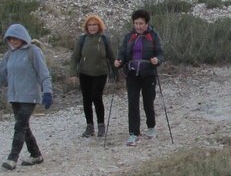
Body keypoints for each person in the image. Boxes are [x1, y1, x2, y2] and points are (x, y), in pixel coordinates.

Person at [0, 23, 53, 171]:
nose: (13, 41)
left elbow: (44, 73)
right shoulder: (9, 56)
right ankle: (36, 155)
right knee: (24, 127)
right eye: (10, 38)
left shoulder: (33, 51)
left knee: (19, 126)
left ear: (23, 37)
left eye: (16, 38)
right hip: (14, 97)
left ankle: (12, 158)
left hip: (30, 96)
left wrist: (47, 92)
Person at [113, 9, 164, 146]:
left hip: (148, 74)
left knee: (148, 102)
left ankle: (151, 127)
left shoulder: (153, 36)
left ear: (147, 23)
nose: (138, 26)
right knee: (133, 104)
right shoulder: (129, 36)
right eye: (136, 23)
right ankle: (133, 133)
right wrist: (119, 61)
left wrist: (157, 60)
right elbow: (122, 52)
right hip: (132, 74)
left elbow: (160, 53)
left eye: (141, 23)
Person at [69, 14, 115, 138]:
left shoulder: (104, 39)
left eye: (94, 24)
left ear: (99, 26)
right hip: (84, 73)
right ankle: (90, 126)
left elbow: (111, 57)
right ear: (86, 27)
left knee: (96, 97)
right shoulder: (82, 39)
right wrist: (73, 73)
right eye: (90, 25)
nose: (92, 27)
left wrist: (116, 73)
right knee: (86, 99)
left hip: (100, 73)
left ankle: (101, 125)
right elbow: (75, 57)